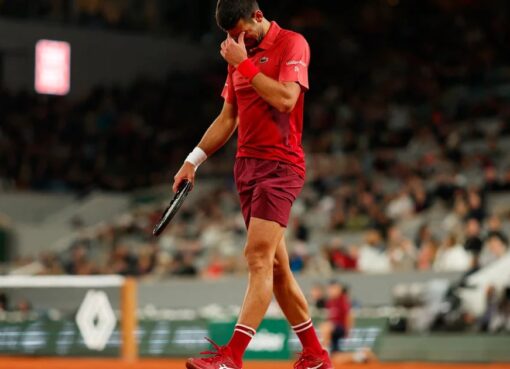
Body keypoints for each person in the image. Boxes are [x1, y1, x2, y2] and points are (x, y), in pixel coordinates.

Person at [173, 1, 332, 368]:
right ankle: (315, 354)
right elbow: (228, 118)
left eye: (240, 33)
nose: (235, 41)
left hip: (281, 167)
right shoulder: (239, 55)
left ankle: (232, 357)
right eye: (229, 38)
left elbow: (287, 99)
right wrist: (192, 161)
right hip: (246, 168)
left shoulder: (292, 44)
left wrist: (241, 62)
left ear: (258, 17)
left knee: (257, 257)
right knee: (277, 269)